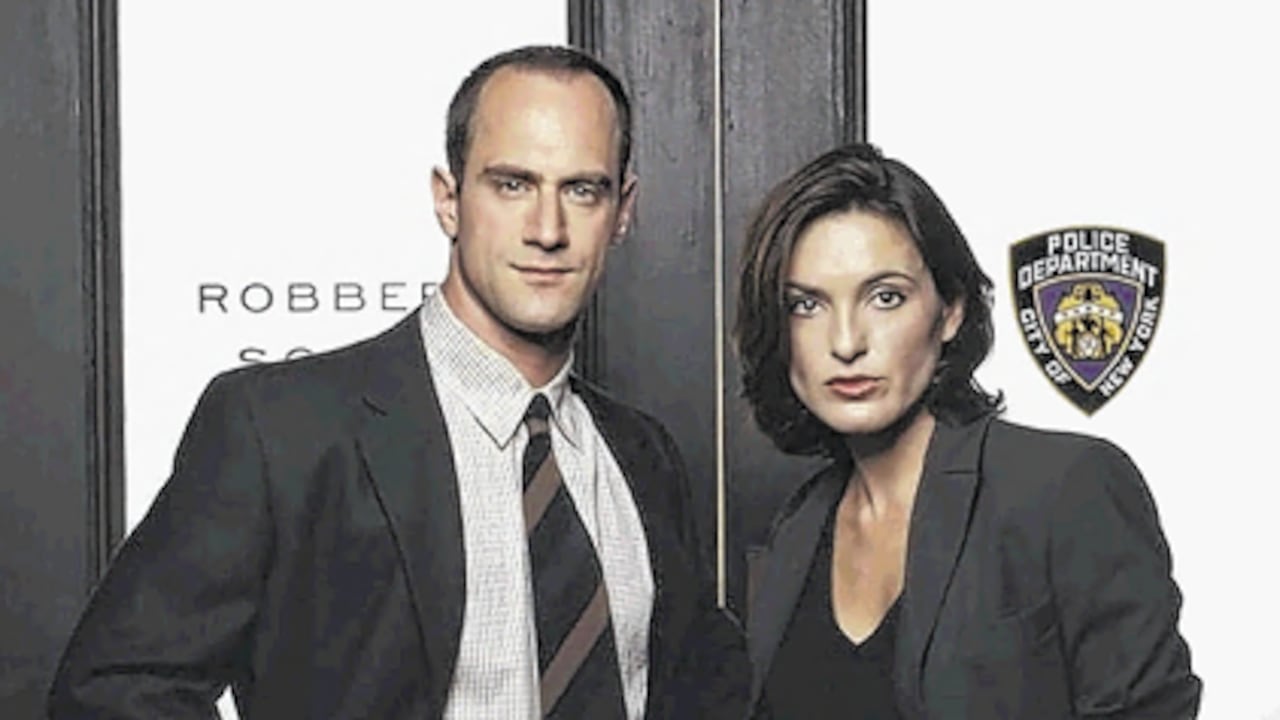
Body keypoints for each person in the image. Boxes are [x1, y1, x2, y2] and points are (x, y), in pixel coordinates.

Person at [49, 45, 744, 719]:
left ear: (622, 210)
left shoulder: (643, 456)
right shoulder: (280, 429)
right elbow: (113, 691)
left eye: (582, 191)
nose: (547, 229)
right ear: (449, 199)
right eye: (512, 185)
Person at [734, 143, 1200, 718]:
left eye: (885, 297)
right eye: (807, 305)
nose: (847, 341)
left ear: (950, 309)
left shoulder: (1064, 488)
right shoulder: (796, 530)